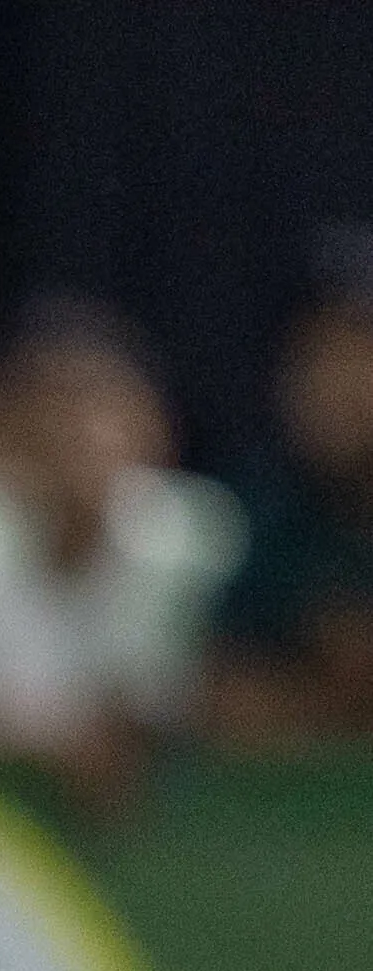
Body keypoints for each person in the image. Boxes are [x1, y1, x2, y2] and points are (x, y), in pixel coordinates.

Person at [0, 299, 241, 800]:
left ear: (153, 425)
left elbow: (212, 698)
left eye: (103, 407)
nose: (81, 433)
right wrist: (56, 737)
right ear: (10, 430)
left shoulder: (196, 534)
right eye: (56, 407)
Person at [211, 250, 373, 743]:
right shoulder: (260, 515)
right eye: (315, 356)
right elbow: (223, 696)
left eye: (358, 355)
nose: (334, 384)